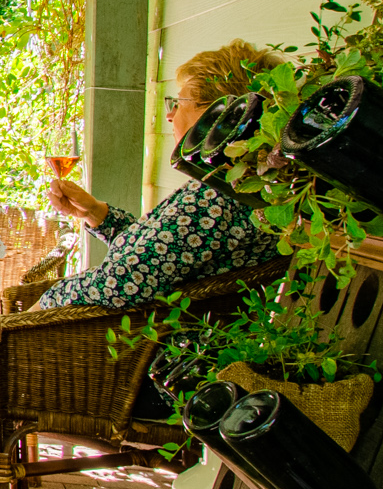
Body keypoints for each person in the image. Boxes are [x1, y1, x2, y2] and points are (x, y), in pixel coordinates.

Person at [35, 40, 285, 309]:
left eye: (179, 103)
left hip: (150, 333)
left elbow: (124, 280)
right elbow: (159, 253)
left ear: (217, 113)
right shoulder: (237, 182)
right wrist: (95, 213)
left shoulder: (221, 194)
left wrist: (40, 306)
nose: (170, 115)